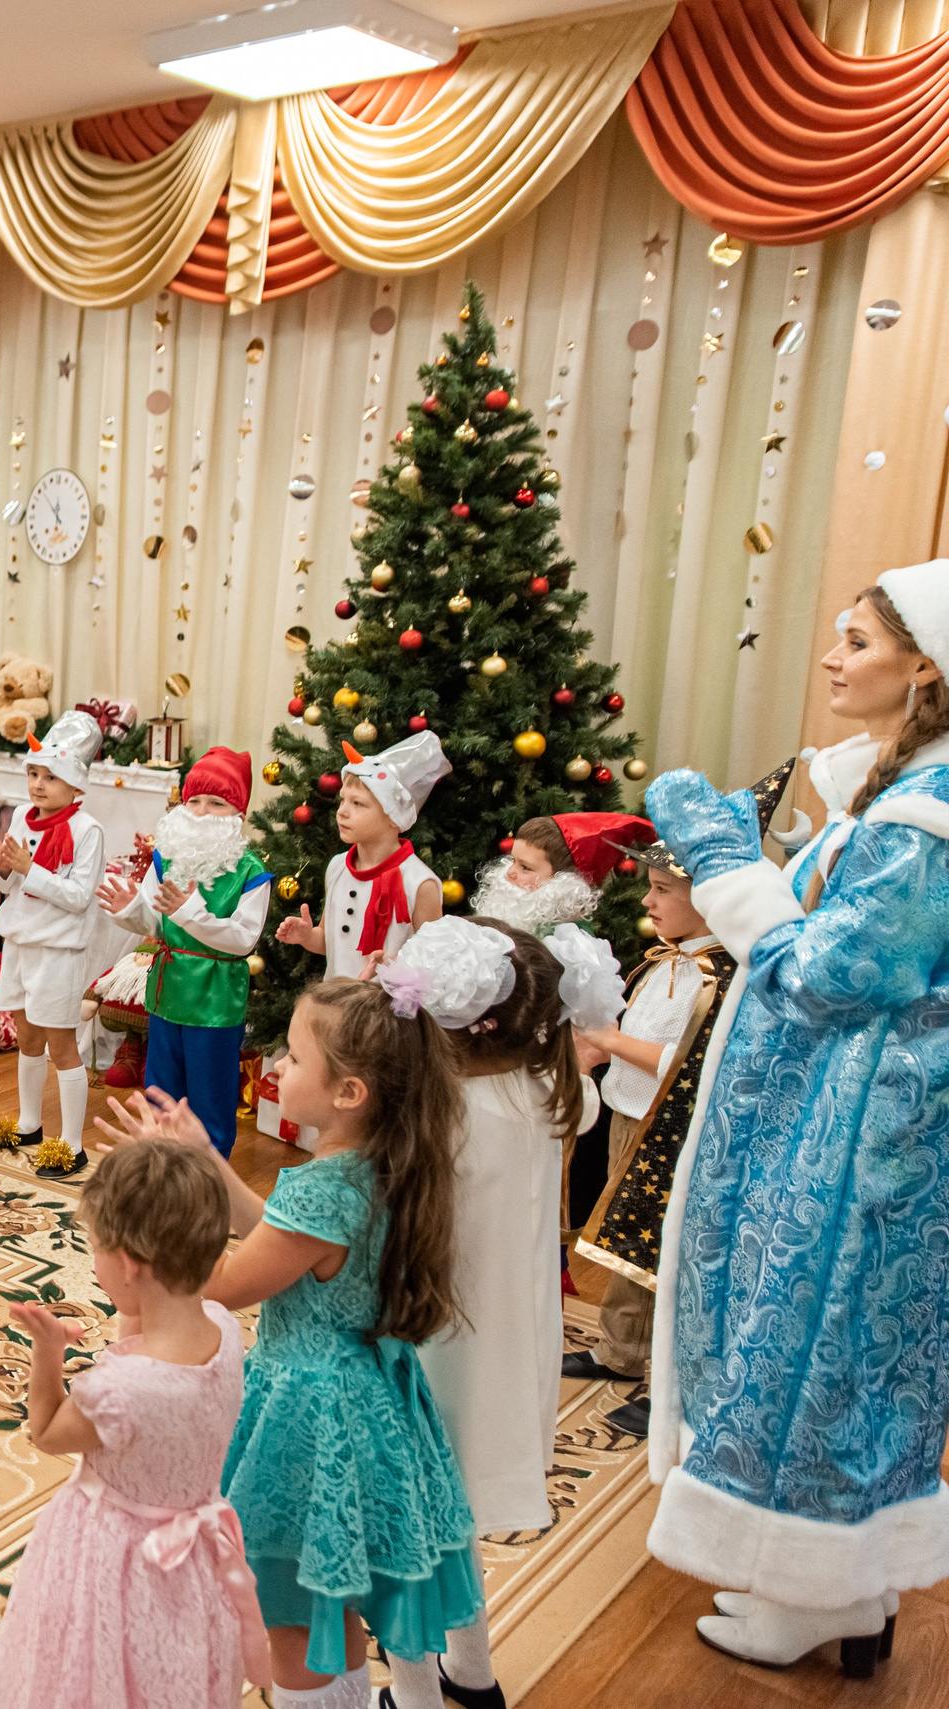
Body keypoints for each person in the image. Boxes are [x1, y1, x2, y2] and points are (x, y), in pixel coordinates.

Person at [637, 565, 949, 1674]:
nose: (830, 656)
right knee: (823, 1345)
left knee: (818, 1344)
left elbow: (833, 969)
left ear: (923, 668)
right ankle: (826, 1579)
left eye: (855, 641)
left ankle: (820, 1583)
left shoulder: (926, 814)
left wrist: (722, 860)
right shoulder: (893, 784)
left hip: (861, 1137)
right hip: (839, 1119)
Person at [94, 978, 479, 1709]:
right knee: (331, 1596)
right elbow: (276, 1230)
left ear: (350, 1092)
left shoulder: (323, 1190)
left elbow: (228, 1282)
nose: (276, 1063)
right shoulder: (371, 1166)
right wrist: (207, 1157)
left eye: (296, 1057)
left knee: (294, 1619)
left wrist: (156, 1196)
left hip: (310, 1417)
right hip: (362, 1395)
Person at [383, 917, 617, 1709]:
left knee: (410, 1526)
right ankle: (474, 1677)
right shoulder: (556, 1092)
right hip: (511, 1347)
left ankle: (413, 1695)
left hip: (435, 1346)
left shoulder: (436, 1117)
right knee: (457, 1517)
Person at [0, 1138, 267, 1709]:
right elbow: (143, 1343)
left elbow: (46, 1432)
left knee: (98, 1671)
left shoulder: (118, 1393)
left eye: (94, 1247)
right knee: (166, 1669)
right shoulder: (224, 1330)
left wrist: (47, 1352)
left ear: (128, 1263)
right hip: (190, 1564)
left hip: (113, 1565)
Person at [568, 827, 745, 1438]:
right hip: (630, 1113)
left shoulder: (718, 975)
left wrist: (607, 1041)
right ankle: (620, 1350)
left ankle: (667, 1382)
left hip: (670, 1127)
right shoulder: (669, 959)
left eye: (663, 890)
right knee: (625, 1238)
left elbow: (685, 1059)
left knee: (663, 1250)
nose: (648, 901)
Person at [98, 746, 270, 1157]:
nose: (201, 811)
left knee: (210, 1097)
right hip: (168, 991)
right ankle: (159, 1172)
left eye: (216, 803)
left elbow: (242, 939)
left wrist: (190, 911)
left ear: (238, 814)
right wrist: (130, 911)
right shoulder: (167, 859)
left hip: (214, 999)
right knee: (159, 1091)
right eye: (193, 801)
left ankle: (210, 1184)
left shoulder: (251, 872)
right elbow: (156, 922)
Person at [0, 710, 108, 1176]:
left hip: (58, 952)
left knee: (61, 1045)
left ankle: (71, 1145)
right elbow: (8, 888)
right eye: (33, 773)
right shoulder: (20, 820)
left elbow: (77, 898)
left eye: (50, 776)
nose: (38, 784)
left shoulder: (86, 831)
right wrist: (6, 867)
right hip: (20, 942)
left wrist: (28, 869)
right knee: (27, 1037)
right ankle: (29, 1122)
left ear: (75, 785)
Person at [274, 730, 448, 978]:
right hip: (334, 1005)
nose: (342, 812)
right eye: (343, 800)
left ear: (393, 816)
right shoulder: (338, 867)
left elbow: (433, 962)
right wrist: (307, 937)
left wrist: (395, 968)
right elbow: (329, 941)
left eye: (358, 804)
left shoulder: (420, 883)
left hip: (384, 1013)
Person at [469, 813, 649, 939]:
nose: (510, 872)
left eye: (525, 867)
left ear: (564, 882)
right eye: (512, 860)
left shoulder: (571, 941)